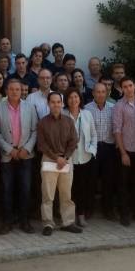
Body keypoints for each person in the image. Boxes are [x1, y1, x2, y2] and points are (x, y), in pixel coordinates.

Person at [0, 79, 38, 234]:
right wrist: (9, 149)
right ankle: (7, 221)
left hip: (26, 154)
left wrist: (26, 148)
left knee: (25, 189)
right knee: (7, 190)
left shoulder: (30, 107)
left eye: (17, 89)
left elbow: (35, 131)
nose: (14, 92)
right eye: (11, 89)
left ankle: (24, 220)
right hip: (7, 155)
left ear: (22, 91)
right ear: (7, 90)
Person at [38, 92, 81, 235]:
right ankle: (48, 223)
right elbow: (42, 144)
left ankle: (68, 222)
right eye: (53, 102)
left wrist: (65, 156)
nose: (56, 105)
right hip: (50, 160)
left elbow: (74, 141)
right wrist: (56, 158)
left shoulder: (68, 121)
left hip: (66, 160)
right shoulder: (43, 122)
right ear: (48, 104)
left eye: (58, 102)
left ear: (62, 104)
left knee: (66, 194)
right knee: (48, 195)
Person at [113, 77, 135, 226]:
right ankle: (124, 214)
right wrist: (123, 153)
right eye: (125, 86)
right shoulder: (119, 106)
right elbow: (117, 130)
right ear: (121, 89)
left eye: (130, 85)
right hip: (125, 150)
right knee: (123, 184)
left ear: (134, 86)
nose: (128, 88)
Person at [64, 88, 98, 228]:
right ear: (67, 100)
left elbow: (94, 134)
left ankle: (81, 215)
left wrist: (92, 150)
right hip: (68, 158)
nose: (73, 100)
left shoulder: (87, 114)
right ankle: (69, 217)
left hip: (85, 157)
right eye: (71, 97)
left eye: (76, 97)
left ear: (80, 99)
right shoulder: (63, 115)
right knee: (68, 189)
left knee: (83, 188)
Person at [84, 83, 117, 220]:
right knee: (90, 181)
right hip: (93, 149)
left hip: (109, 148)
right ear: (93, 93)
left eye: (103, 92)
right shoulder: (86, 109)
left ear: (107, 93)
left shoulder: (113, 108)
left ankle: (108, 210)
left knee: (108, 181)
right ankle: (88, 209)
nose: (100, 94)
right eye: (98, 92)